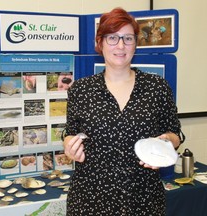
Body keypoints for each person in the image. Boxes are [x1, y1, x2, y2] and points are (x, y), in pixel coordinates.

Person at [63, 7, 184, 215]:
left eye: (128, 38)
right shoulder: (81, 90)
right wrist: (68, 145)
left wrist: (165, 143)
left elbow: (176, 134)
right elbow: (69, 132)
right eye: (112, 38)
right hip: (90, 199)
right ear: (100, 43)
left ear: (136, 44)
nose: (120, 45)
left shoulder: (156, 87)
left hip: (143, 199)